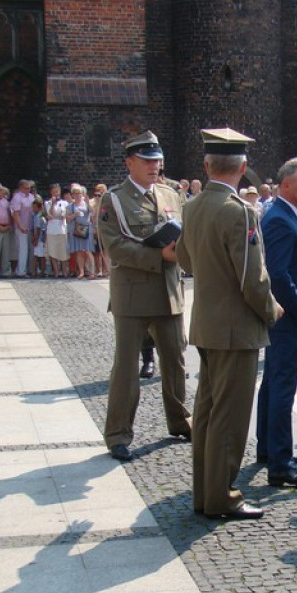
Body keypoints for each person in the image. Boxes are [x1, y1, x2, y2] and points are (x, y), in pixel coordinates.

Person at [176, 128, 282, 519]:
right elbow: (252, 278)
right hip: (236, 329)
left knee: (206, 412)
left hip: (206, 323)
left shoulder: (193, 206)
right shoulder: (240, 211)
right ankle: (221, 496)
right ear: (244, 167)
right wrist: (272, 310)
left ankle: (205, 493)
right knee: (229, 417)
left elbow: (185, 261)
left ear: (207, 165)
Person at [101, 130, 192, 461]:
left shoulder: (171, 196)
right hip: (133, 295)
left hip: (169, 291)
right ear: (130, 163)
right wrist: (160, 257)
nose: (155, 166)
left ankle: (180, 421)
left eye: (157, 160)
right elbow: (115, 247)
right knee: (126, 368)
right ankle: (118, 434)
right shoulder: (113, 200)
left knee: (175, 361)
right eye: (147, 161)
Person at [256, 157, 297, 489]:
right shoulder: (280, 219)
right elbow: (278, 276)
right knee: (282, 387)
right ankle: (280, 465)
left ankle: (270, 450)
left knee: (272, 383)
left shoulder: (290, 215)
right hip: (286, 317)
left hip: (286, 318)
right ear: (285, 186)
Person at [10, 178, 35, 278]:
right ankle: (21, 271)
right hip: (21, 227)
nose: (28, 190)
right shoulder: (17, 198)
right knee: (22, 249)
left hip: (30, 226)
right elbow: (15, 213)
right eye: (26, 188)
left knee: (30, 250)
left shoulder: (32, 196)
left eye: (29, 188)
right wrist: (20, 226)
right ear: (20, 188)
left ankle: (29, 269)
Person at [44, 184, 70, 278]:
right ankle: (55, 272)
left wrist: (57, 216)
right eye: (54, 192)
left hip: (62, 229)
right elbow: (49, 215)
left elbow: (64, 215)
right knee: (52, 251)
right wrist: (53, 204)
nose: (56, 193)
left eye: (57, 191)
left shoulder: (64, 203)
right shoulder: (47, 203)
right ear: (51, 192)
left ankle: (64, 272)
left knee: (63, 252)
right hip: (51, 230)